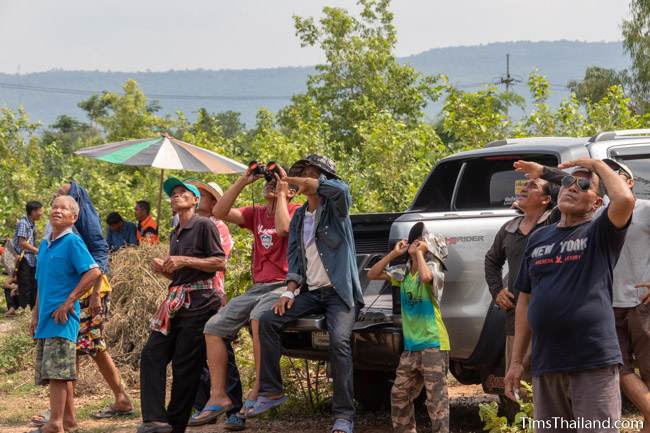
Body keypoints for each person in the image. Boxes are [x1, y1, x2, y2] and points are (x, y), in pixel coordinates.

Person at [515, 158, 650, 432]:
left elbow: (624, 199)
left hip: (593, 361)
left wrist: (595, 163)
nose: (573, 188)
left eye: (585, 185)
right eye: (568, 183)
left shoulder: (600, 232)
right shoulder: (538, 238)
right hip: (547, 364)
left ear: (597, 204)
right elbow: (525, 300)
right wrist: (517, 361)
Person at [254, 155, 363, 433]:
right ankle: (271, 391)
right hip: (313, 293)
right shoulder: (301, 215)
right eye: (301, 173)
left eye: (310, 173)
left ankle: (344, 415)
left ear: (322, 177)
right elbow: (296, 259)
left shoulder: (336, 207)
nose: (305, 177)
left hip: (340, 294)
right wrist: (289, 293)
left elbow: (342, 190)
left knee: (338, 342)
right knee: (267, 320)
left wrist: (292, 180)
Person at [191, 165, 299, 427]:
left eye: (277, 183)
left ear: (292, 191)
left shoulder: (297, 211)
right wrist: (244, 180)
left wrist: (283, 192)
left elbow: (284, 229)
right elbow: (219, 212)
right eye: (269, 182)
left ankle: (258, 391)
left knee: (258, 318)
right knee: (213, 327)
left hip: (284, 284)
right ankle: (219, 396)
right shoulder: (256, 214)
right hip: (258, 286)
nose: (270, 185)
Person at [137, 177, 226, 433]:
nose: (176, 195)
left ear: (195, 200)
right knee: (152, 353)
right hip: (176, 301)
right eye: (173, 193)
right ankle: (155, 419)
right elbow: (179, 274)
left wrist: (183, 260)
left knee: (185, 367)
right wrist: (165, 268)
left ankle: (174, 427)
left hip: (201, 302)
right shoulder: (174, 232)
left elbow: (219, 263)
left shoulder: (204, 225)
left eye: (182, 192)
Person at [367, 222, 449, 433]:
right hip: (412, 347)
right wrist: (394, 254)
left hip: (433, 343)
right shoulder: (402, 274)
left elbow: (426, 278)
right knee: (399, 395)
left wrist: (420, 254)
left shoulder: (434, 268)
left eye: (421, 241)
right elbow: (372, 275)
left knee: (436, 401)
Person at [29, 195, 102, 433]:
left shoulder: (72, 242)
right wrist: (35, 314)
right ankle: (68, 421)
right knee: (58, 372)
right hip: (46, 318)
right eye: (54, 207)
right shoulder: (45, 244)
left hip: (62, 319)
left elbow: (93, 271)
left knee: (58, 374)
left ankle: (55, 424)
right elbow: (41, 282)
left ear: (74, 217)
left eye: (64, 208)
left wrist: (69, 301)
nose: (57, 211)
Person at [484, 176, 556, 381]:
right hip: (515, 319)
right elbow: (491, 260)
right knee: (518, 387)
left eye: (532, 186)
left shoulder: (555, 222)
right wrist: (497, 290)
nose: (524, 188)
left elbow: (570, 188)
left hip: (551, 318)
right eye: (523, 185)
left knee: (550, 386)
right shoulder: (509, 228)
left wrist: (544, 171)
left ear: (546, 199)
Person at [185, 179, 244, 430]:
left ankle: (235, 407)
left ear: (214, 202)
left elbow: (217, 260)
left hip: (212, 293)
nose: (198, 198)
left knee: (223, 352)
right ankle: (202, 404)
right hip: (189, 294)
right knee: (194, 351)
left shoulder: (218, 226)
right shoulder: (187, 226)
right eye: (196, 194)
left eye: (204, 195)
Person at [14, 200, 44, 309]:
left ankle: (32, 308)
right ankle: (24, 308)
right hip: (24, 258)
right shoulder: (24, 223)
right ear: (33, 211)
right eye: (39, 211)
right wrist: (37, 250)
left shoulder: (32, 224)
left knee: (33, 283)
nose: (41, 213)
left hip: (31, 258)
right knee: (25, 284)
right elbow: (22, 243)